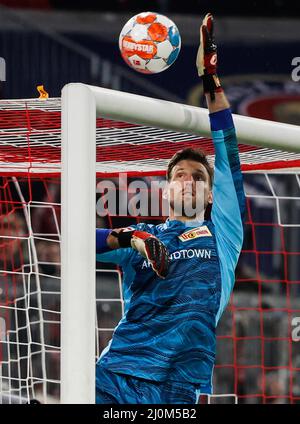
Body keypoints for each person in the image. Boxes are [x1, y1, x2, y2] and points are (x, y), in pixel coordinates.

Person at [95, 13, 246, 404]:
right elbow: (75, 240)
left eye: (199, 176)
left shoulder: (224, 237)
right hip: (115, 376)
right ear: (166, 190)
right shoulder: (146, 235)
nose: (188, 180)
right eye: (179, 175)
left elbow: (227, 150)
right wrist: (133, 238)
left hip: (180, 388)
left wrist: (209, 75)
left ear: (212, 195)